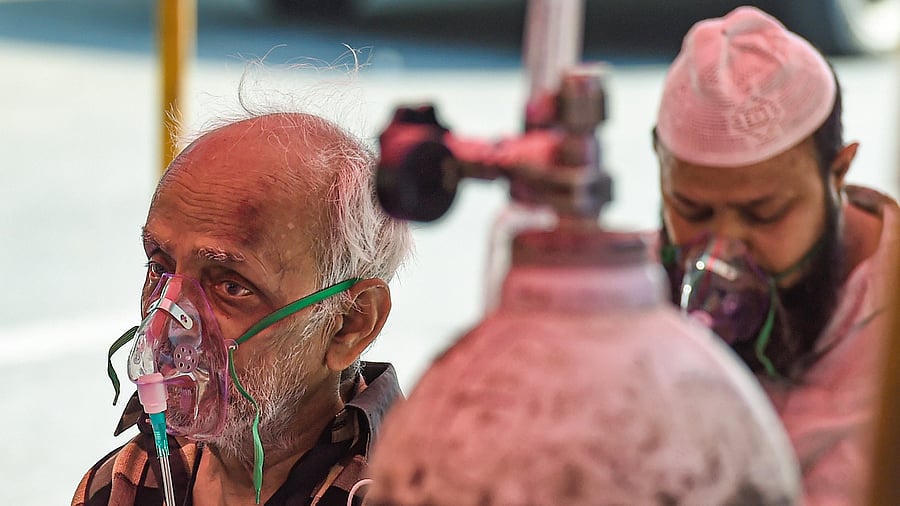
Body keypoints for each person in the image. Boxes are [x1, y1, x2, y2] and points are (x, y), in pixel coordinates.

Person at [72, 110, 413, 505]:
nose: (167, 326)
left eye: (231, 286)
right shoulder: (120, 484)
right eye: (159, 268)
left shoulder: (424, 490)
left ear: (349, 324)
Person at [654, 6, 899, 504]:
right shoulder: (623, 300)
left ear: (839, 173)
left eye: (765, 214)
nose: (724, 251)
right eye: (692, 210)